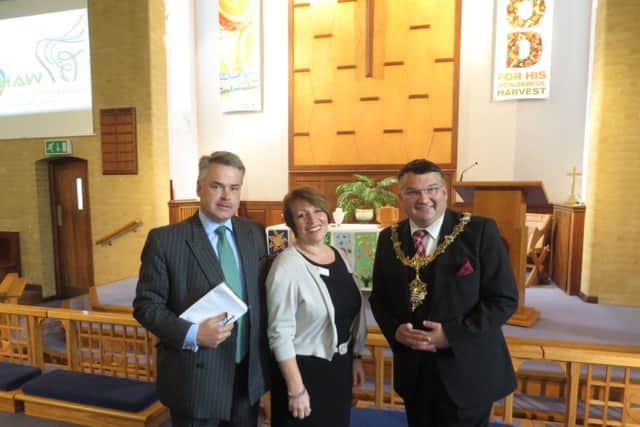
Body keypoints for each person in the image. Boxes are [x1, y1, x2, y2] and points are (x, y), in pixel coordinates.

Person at [369, 159, 518, 427]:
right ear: (401, 197)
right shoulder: (388, 239)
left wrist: (450, 335)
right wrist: (395, 330)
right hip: (415, 373)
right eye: (413, 191)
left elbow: (504, 299)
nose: (423, 198)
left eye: (432, 189)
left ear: (445, 192)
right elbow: (379, 299)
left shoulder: (479, 231)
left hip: (467, 371)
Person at [133, 151, 269, 427]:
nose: (226, 196)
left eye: (234, 188)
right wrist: (193, 333)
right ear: (199, 187)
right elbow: (146, 306)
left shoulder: (253, 233)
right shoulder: (165, 240)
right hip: (196, 379)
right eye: (216, 186)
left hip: (247, 378)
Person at [265, 187, 367, 427]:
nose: (312, 220)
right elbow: (279, 334)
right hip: (303, 372)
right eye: (302, 215)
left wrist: (355, 356)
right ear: (292, 223)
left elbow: (348, 314)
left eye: (318, 211)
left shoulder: (337, 254)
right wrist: (296, 390)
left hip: (338, 369)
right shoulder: (286, 267)